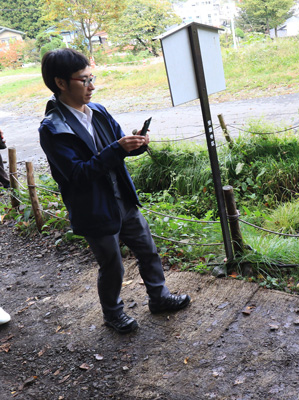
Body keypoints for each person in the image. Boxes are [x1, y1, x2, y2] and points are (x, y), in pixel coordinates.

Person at [38, 48, 190, 334]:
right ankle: (113, 314)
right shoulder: (52, 128)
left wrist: (134, 144)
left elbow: (116, 151)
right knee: (112, 266)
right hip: (94, 208)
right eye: (84, 80)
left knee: (148, 251)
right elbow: (78, 174)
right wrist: (118, 149)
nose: (92, 86)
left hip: (123, 199)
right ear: (60, 83)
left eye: (91, 77)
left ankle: (159, 298)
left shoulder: (98, 111)